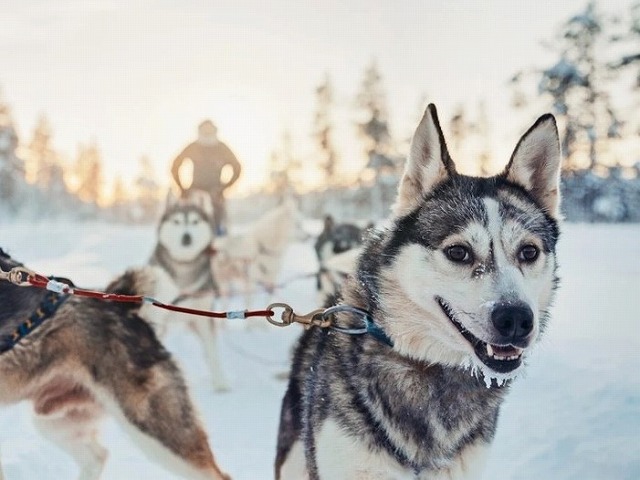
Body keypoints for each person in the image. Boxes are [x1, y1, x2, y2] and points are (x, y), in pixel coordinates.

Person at [170, 119, 242, 235]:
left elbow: (237, 168)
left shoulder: (221, 148)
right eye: (205, 130)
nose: (207, 132)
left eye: (209, 130)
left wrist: (224, 188)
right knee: (189, 224)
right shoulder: (194, 147)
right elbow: (175, 165)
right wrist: (182, 189)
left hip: (215, 194)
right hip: (195, 193)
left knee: (218, 227)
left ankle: (219, 241)